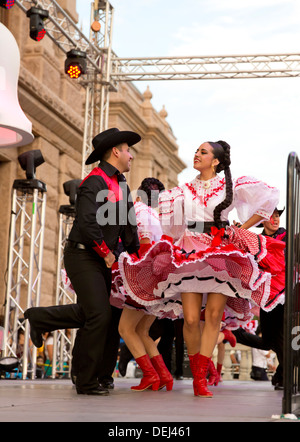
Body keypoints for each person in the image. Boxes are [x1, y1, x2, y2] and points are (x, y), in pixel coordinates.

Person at [118, 140, 285, 398]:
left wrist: (241, 229)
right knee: (192, 318)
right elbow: (171, 227)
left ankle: (199, 378)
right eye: (196, 151)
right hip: (191, 252)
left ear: (215, 161)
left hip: (221, 253)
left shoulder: (230, 185)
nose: (196, 155)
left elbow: (267, 199)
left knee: (214, 316)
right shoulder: (182, 189)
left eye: (202, 152)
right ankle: (200, 367)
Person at [25, 127, 141, 396]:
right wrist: (106, 252)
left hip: (103, 259)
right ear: (115, 152)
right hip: (82, 254)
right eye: (128, 150)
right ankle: (87, 382)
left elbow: (129, 225)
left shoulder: (121, 183)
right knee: (99, 314)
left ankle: (40, 318)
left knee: (98, 313)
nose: (131, 156)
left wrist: (139, 257)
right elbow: (88, 224)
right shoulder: (94, 181)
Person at [111, 177, 174, 391]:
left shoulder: (137, 211)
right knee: (142, 330)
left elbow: (145, 245)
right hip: (161, 280)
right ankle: (163, 375)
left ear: (139, 195)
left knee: (125, 328)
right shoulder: (156, 216)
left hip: (144, 276)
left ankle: (150, 375)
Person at [233, 207, 286, 389]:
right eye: (271, 216)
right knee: (270, 340)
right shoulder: (256, 241)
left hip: (286, 295)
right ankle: (236, 335)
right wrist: (238, 232)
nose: (275, 219)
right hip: (266, 296)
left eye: (278, 216)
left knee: (281, 337)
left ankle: (283, 376)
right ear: (262, 220)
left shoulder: (286, 237)